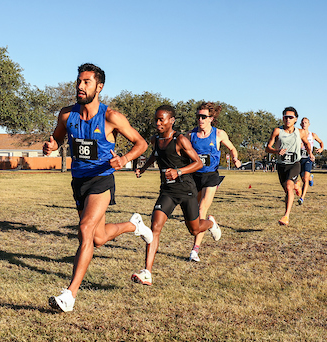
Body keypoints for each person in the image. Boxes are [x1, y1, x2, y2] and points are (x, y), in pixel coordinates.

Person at [43, 63, 152, 312]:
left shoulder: (111, 117)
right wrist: (50, 147)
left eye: (87, 82)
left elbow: (141, 143)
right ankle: (134, 225)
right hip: (79, 180)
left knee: (85, 229)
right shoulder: (66, 115)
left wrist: (124, 159)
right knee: (98, 238)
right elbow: (57, 138)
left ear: (99, 87)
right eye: (79, 81)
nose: (80, 87)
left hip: (102, 179)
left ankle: (69, 295)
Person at [132, 105, 221, 286]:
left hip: (186, 189)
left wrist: (178, 171)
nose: (157, 123)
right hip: (167, 191)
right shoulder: (156, 139)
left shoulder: (180, 139)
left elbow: (197, 163)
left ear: (171, 120)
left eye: (161, 119)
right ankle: (147, 272)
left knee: (194, 229)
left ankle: (211, 223)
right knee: (155, 227)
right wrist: (143, 168)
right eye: (156, 119)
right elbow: (156, 155)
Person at [186, 102, 241, 262]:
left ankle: (195, 250)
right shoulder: (191, 135)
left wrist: (236, 158)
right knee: (194, 213)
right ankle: (211, 223)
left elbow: (232, 148)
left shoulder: (218, 134)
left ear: (211, 118)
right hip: (194, 176)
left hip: (211, 176)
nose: (200, 120)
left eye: (204, 117)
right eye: (198, 116)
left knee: (202, 208)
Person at [265, 107, 314, 225]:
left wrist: (310, 153)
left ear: (295, 119)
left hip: (295, 164)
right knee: (288, 191)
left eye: (290, 117)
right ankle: (297, 186)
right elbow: (268, 148)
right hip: (281, 165)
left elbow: (307, 143)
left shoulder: (300, 132)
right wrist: (276, 151)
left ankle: (286, 216)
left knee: (288, 186)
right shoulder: (277, 131)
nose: (288, 119)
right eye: (285, 117)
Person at [297, 117, 324, 205]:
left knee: (305, 179)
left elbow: (321, 142)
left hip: (308, 158)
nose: (304, 124)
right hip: (299, 158)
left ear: (309, 124)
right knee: (303, 178)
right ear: (300, 124)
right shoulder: (298, 134)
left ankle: (302, 198)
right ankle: (310, 178)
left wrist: (321, 148)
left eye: (306, 122)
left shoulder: (312, 135)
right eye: (303, 123)